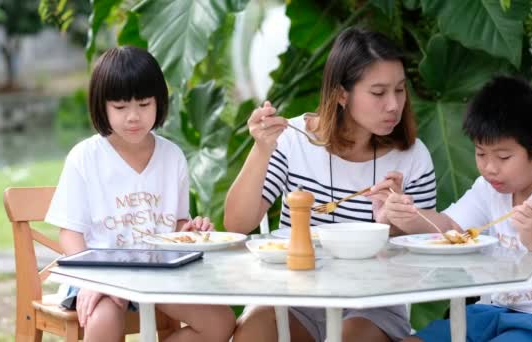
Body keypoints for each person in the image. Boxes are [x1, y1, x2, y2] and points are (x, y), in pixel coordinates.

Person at [224, 27, 437, 342]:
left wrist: (400, 220)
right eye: (378, 93)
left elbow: (427, 253)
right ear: (341, 94)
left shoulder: (411, 158)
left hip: (371, 304)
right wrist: (261, 149)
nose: (394, 105)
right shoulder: (293, 141)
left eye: (400, 90)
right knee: (251, 335)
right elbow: (237, 224)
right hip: (294, 296)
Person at [45, 46, 235, 342]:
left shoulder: (172, 157)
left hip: (160, 274)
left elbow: (175, 227)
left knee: (220, 322)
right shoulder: (85, 157)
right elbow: (70, 234)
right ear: (102, 106)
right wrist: (96, 278)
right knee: (103, 319)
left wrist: (190, 231)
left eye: (144, 104)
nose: (133, 117)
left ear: (159, 102)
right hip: (101, 274)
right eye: (120, 108)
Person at [385, 76, 532, 342]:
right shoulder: (488, 187)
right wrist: (406, 214)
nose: (489, 167)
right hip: (488, 312)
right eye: (481, 154)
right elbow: (449, 227)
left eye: (503, 157)